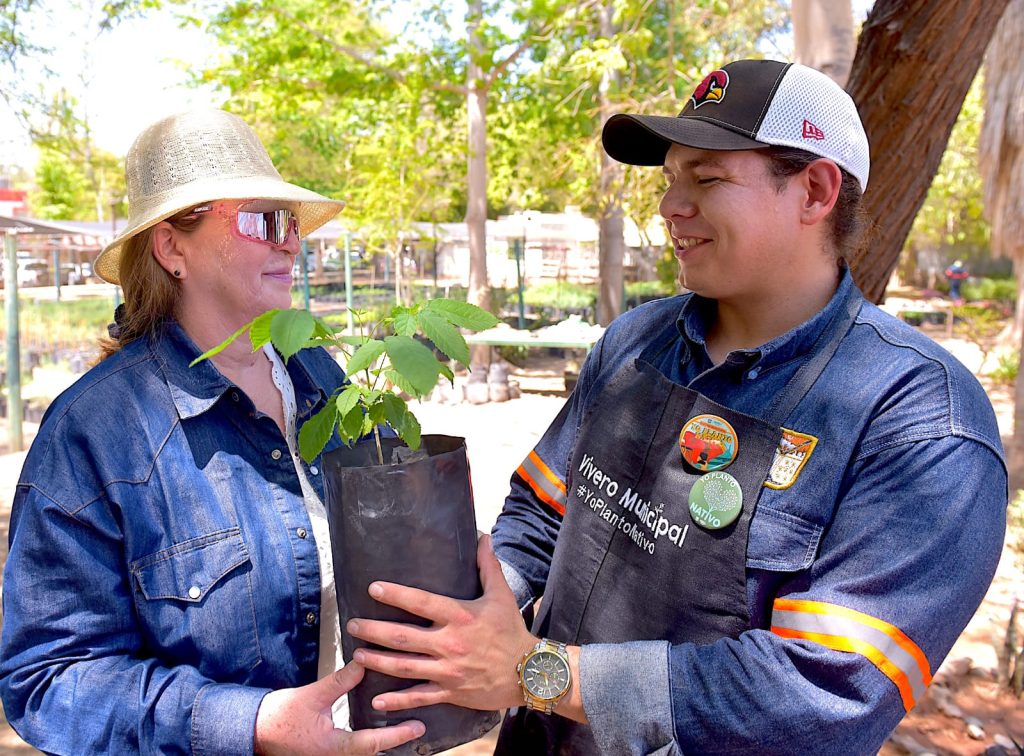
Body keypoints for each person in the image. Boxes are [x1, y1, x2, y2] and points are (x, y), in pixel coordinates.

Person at [343, 59, 1008, 754]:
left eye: (708, 178)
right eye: (670, 179)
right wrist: (473, 614)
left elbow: (822, 695)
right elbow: (542, 511)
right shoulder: (637, 341)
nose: (669, 207)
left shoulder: (918, 421)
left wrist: (532, 672)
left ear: (814, 190)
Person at [0, 109, 425, 755]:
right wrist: (250, 725)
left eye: (292, 224)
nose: (292, 243)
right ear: (173, 248)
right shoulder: (97, 432)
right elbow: (50, 680)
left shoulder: (321, 376)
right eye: (265, 221)